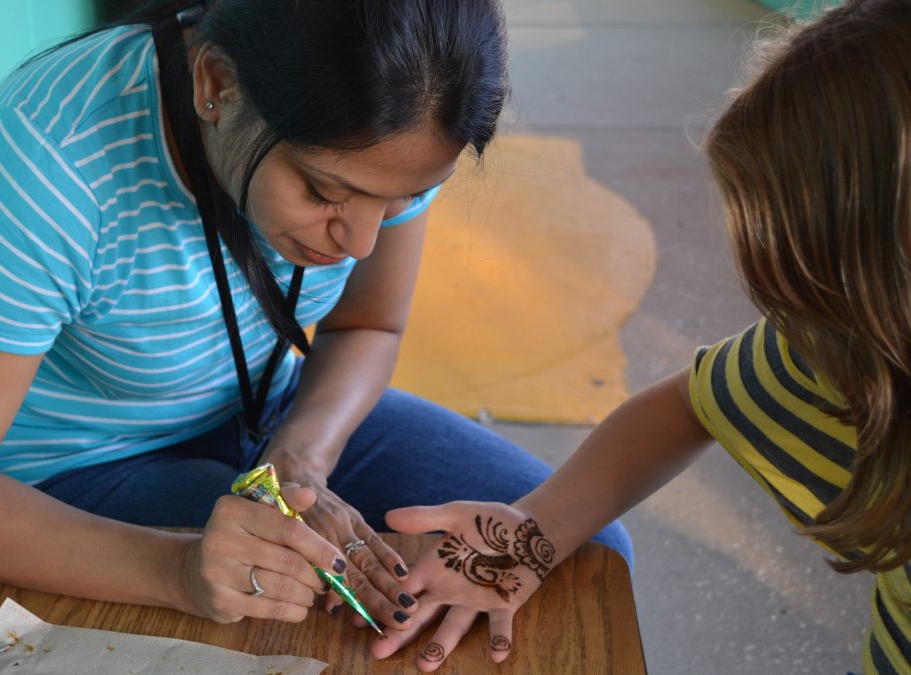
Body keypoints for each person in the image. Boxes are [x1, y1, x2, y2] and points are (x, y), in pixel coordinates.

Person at [0, 0, 632, 632]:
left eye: (397, 201)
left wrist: (301, 460)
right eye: (326, 192)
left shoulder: (404, 118)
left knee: (574, 547)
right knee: (335, 615)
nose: (363, 240)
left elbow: (367, 327)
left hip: (268, 407)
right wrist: (177, 569)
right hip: (75, 471)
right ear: (215, 86)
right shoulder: (50, 164)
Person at [370, 0, 911, 671]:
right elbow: (692, 404)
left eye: (813, 297)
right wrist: (538, 530)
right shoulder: (840, 354)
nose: (790, 336)